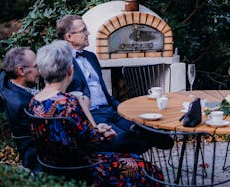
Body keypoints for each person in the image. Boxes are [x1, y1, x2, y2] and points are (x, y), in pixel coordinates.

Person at [27, 40, 170, 187]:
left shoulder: (35, 101)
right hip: (84, 170)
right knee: (145, 169)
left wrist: (96, 129)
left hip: (54, 168)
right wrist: (104, 132)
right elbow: (91, 142)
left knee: (127, 157)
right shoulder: (68, 104)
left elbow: (73, 135)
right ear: (70, 70)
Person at [56, 14, 172, 154]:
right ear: (69, 37)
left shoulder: (91, 57)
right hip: (93, 115)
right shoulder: (62, 62)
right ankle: (136, 149)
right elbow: (62, 97)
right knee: (126, 140)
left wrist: (120, 108)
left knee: (146, 130)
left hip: (110, 110)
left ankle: (144, 137)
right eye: (83, 30)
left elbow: (103, 90)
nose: (88, 33)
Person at [0, 46, 40, 170]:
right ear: (21, 71)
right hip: (38, 158)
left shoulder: (6, 80)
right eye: (37, 66)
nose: (41, 70)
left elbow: (2, 74)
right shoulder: (25, 104)